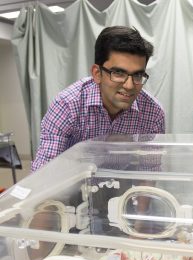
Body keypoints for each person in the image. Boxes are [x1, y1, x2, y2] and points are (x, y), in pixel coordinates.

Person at [31, 26, 165, 172]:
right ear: (97, 73)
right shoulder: (67, 105)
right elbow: (46, 169)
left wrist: (137, 195)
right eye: (118, 73)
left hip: (122, 181)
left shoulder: (153, 112)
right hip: (70, 182)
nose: (129, 85)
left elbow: (149, 169)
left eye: (138, 75)